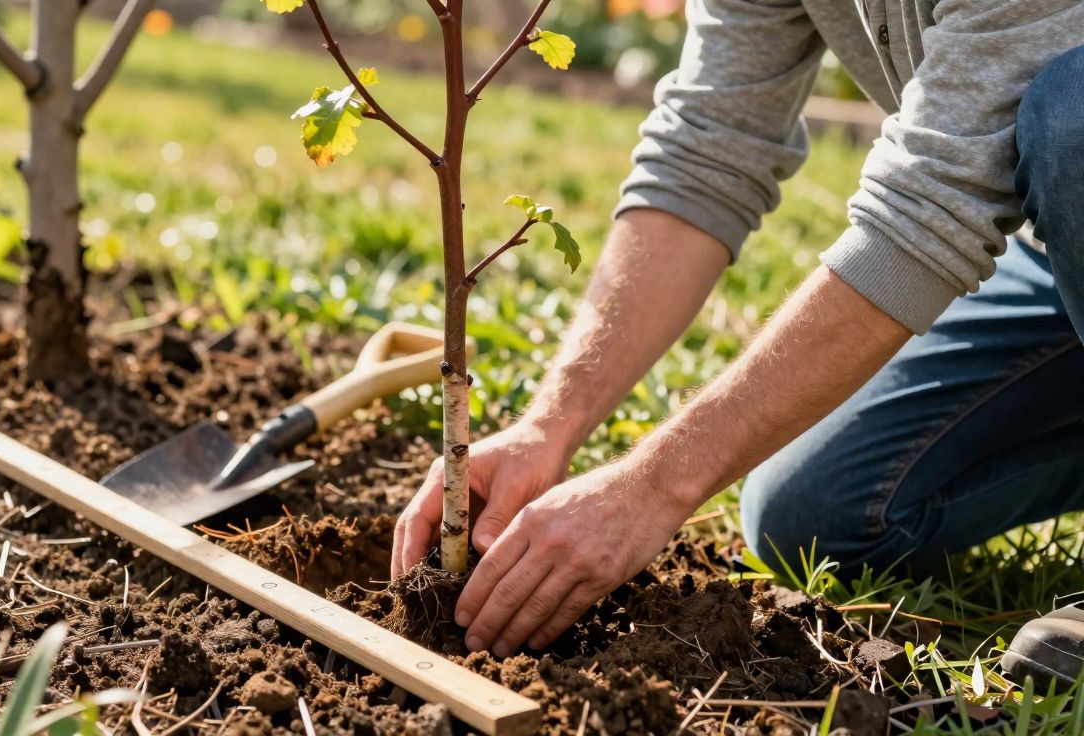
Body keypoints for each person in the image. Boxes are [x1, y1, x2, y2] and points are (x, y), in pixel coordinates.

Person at [390, 0, 1084, 684]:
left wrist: (654, 485)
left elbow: (932, 205)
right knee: (814, 514)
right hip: (1056, 253)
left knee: (1072, 112)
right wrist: (550, 425)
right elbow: (707, 149)